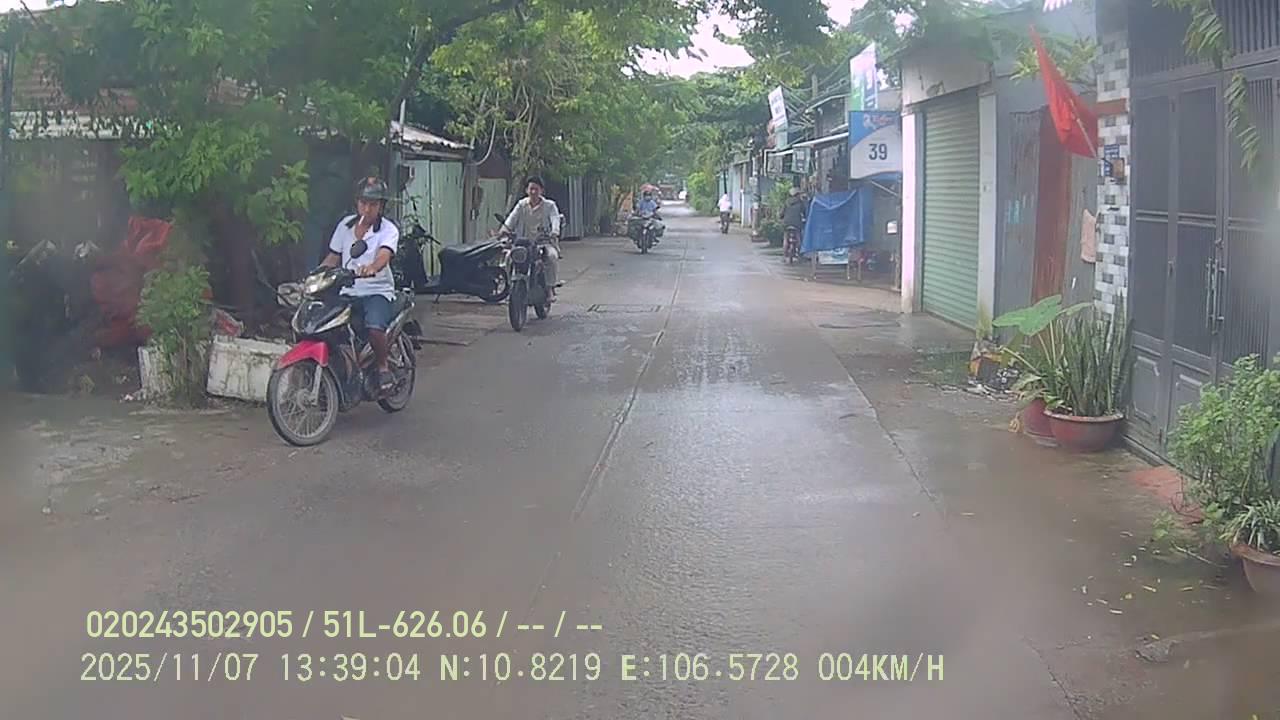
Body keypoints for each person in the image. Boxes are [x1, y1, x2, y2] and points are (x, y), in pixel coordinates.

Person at [319, 176, 401, 393]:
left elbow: (384, 255)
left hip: (377, 291)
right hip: (348, 290)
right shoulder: (345, 226)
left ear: (381, 206)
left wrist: (373, 267)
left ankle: (383, 367)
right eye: (363, 202)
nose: (367, 208)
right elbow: (333, 257)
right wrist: (317, 275)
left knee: (374, 327)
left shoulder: (388, 230)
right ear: (357, 202)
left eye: (373, 204)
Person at [500, 175, 561, 300]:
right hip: (523, 244)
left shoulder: (550, 206)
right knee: (508, 257)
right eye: (531, 189)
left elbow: (555, 219)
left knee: (551, 257)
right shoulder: (521, 205)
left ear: (541, 190)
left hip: (543, 243)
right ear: (526, 190)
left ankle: (550, 289)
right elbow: (511, 219)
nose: (533, 192)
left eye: (536, 189)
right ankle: (509, 286)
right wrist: (504, 230)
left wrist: (554, 231)